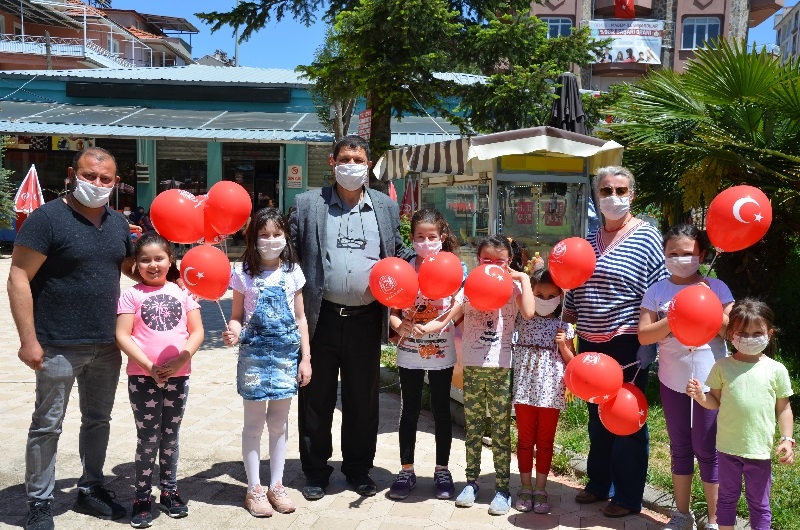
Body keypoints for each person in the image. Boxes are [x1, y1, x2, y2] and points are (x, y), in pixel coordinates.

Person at [8, 147, 137, 530]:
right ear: (71, 174)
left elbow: (129, 267)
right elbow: (18, 277)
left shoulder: (118, 224)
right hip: (57, 344)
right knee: (47, 424)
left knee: (98, 420)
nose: (97, 183)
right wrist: (28, 340)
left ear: (116, 182)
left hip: (107, 344)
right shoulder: (46, 219)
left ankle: (91, 488)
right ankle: (39, 501)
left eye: (105, 179)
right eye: (89, 176)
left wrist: (175, 277)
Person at [290, 135, 414, 500]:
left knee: (363, 400)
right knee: (316, 398)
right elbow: (289, 253)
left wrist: (431, 261)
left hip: (367, 319)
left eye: (359, 160)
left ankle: (358, 469)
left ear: (369, 164)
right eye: (345, 158)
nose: (352, 165)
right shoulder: (307, 204)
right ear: (333, 161)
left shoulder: (384, 207)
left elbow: (398, 251)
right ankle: (315, 471)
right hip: (320, 318)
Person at [563, 166, 668, 517]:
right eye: (606, 191)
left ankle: (626, 495)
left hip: (628, 344)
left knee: (626, 417)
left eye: (620, 190)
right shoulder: (588, 240)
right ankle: (599, 483)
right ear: (597, 196)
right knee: (597, 415)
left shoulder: (647, 237)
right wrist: (567, 327)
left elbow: (659, 289)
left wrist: (651, 341)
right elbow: (573, 286)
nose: (613, 197)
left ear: (632, 194)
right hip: (590, 343)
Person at [639, 224, 733, 530]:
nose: (681, 258)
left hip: (710, 382)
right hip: (672, 380)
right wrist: (676, 314)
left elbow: (731, 332)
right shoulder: (656, 291)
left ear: (702, 255)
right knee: (680, 447)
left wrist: (706, 304)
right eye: (673, 253)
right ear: (664, 255)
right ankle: (682, 514)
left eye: (688, 253)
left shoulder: (717, 288)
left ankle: (716, 520)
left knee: (708, 449)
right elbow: (644, 335)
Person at [223, 208, 312, 517]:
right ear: (253, 238)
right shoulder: (242, 273)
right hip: (254, 357)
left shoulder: (293, 271)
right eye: (264, 234)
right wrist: (233, 332)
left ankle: (277, 485)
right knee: (253, 424)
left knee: (279, 423)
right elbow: (237, 317)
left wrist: (306, 359)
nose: (270, 240)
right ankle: (254, 488)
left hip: (286, 357)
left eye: (276, 234)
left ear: (285, 237)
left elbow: (300, 318)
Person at [115, 232, 204, 528]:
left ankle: (169, 490)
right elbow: (122, 334)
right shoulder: (131, 295)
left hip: (179, 377)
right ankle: (141, 496)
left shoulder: (184, 293)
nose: (152, 265)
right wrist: (149, 366)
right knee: (148, 438)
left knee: (170, 437)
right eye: (145, 260)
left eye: (159, 258)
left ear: (170, 260)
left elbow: (197, 331)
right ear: (136, 265)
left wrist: (180, 360)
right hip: (143, 379)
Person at [687, 299, 794, 530]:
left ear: (769, 334)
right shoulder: (722, 367)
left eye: (757, 333)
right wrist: (700, 396)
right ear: (731, 334)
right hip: (727, 449)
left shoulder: (776, 370)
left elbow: (784, 408)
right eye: (742, 333)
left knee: (759, 504)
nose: (749, 338)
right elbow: (714, 402)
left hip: (759, 450)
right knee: (726, 499)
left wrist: (787, 439)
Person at [455, 235, 535, 515]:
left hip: (501, 367)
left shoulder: (514, 287)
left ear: (509, 261)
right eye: (486, 260)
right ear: (478, 260)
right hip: (473, 366)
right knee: (473, 428)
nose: (492, 265)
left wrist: (523, 278)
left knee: (501, 430)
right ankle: (471, 482)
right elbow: (454, 313)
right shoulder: (470, 286)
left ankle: (503, 489)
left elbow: (529, 312)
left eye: (499, 261)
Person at [388, 208, 464, 501]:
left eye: (432, 236)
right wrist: (399, 325)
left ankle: (442, 470)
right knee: (409, 410)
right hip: (409, 351)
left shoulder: (453, 266)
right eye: (420, 236)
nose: (426, 242)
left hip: (441, 350)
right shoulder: (404, 267)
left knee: (441, 410)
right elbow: (393, 309)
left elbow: (460, 304)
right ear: (412, 237)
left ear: (442, 236)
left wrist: (439, 323)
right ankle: (406, 470)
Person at [512, 268, 575, 514]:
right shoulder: (521, 318)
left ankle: (541, 488)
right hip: (524, 388)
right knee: (525, 440)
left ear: (560, 297)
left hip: (551, 391)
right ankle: (525, 486)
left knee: (545, 441)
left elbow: (573, 363)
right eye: (539, 295)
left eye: (551, 296)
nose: (545, 300)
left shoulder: (564, 326)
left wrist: (563, 346)